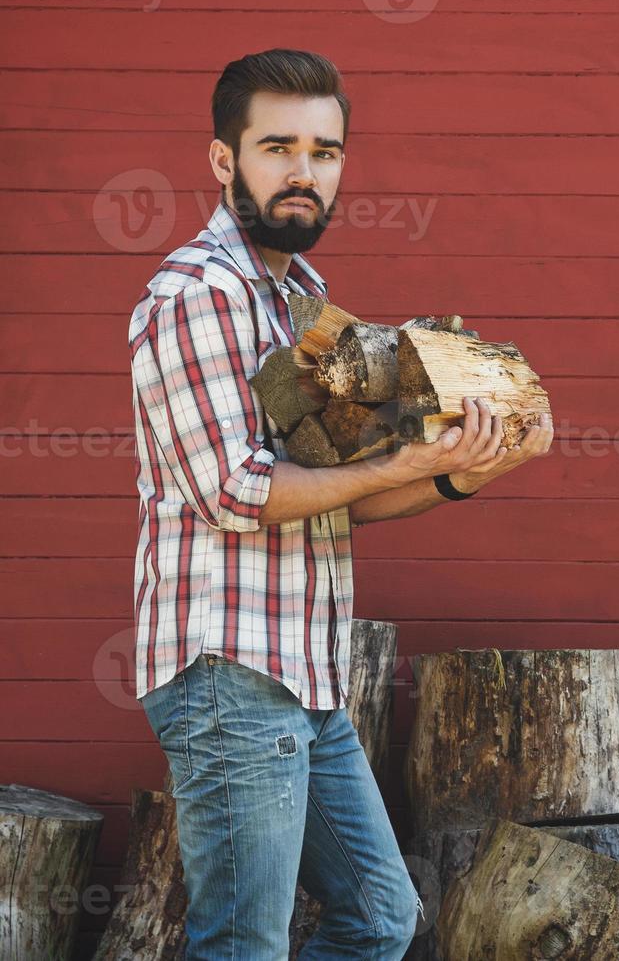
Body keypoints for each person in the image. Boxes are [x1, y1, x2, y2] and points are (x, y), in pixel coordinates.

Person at [126, 47, 553, 959]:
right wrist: (394, 466)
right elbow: (239, 491)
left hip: (303, 675)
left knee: (379, 919)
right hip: (229, 674)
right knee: (244, 944)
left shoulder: (305, 303)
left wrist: (451, 473)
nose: (302, 172)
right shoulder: (197, 296)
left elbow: (334, 499)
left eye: (324, 152)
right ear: (222, 160)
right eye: (277, 147)